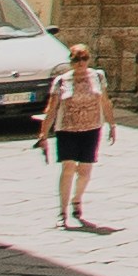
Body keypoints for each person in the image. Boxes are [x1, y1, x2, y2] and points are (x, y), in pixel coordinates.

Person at [40, 53, 117, 231]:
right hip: (67, 129)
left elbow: (105, 102)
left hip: (91, 128)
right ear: (71, 61)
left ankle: (77, 199)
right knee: (67, 168)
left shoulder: (97, 76)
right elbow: (52, 109)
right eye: (76, 60)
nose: (80, 63)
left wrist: (112, 124)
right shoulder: (62, 81)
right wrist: (43, 134)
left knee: (84, 170)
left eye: (84, 59)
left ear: (88, 60)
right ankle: (63, 212)